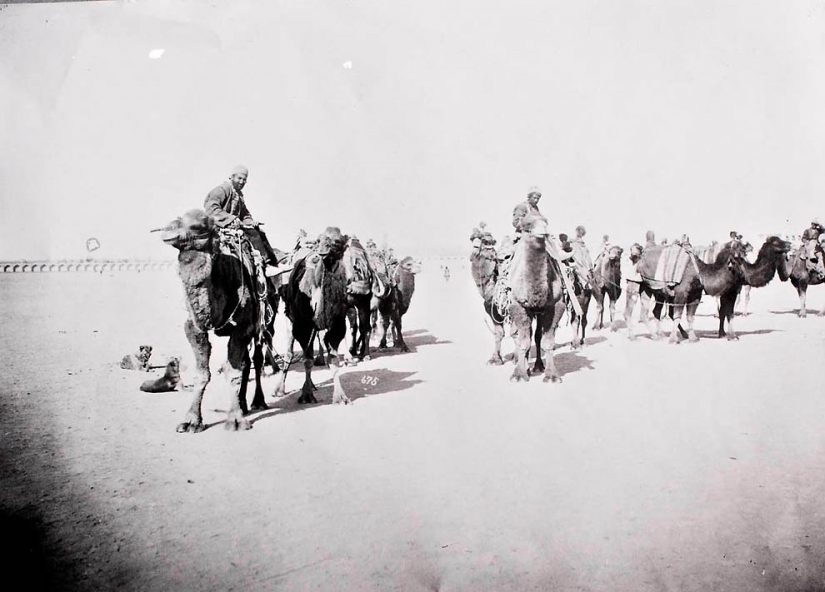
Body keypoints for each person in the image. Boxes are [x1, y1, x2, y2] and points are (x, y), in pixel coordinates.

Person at [510, 186, 583, 316]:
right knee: (515, 255)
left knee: (552, 251)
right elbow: (516, 222)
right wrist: (529, 224)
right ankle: (508, 281)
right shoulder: (522, 207)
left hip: (539, 235)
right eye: (534, 197)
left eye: (538, 198)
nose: (536, 200)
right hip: (525, 236)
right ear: (529, 196)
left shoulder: (536, 209)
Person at [204, 165, 288, 276]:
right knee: (253, 234)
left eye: (244, 180)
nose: (242, 182)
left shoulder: (238, 195)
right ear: (232, 177)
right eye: (239, 178)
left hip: (234, 226)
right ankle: (265, 265)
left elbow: (245, 214)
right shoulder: (222, 190)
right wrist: (231, 219)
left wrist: (251, 222)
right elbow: (211, 208)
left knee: (259, 232)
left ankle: (273, 263)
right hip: (221, 226)